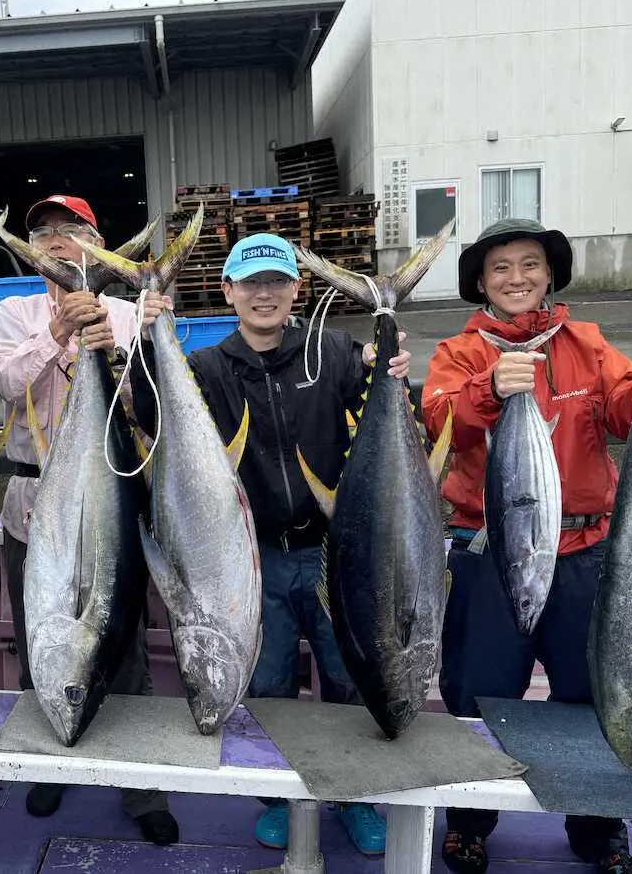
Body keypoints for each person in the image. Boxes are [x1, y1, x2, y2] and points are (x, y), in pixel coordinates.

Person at [421, 219, 632, 874]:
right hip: (492, 551)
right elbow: (438, 422)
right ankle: (470, 820)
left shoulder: (587, 344)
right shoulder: (459, 354)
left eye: (529, 265)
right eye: (500, 269)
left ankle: (596, 827)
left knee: (591, 692)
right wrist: (489, 389)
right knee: (477, 692)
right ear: (480, 283)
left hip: (584, 554)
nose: (516, 278)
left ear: (549, 275)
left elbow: (629, 410)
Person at [133, 232, 409, 856]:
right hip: (249, 561)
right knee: (269, 685)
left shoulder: (334, 353)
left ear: (295, 290)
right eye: (251, 284)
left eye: (277, 283)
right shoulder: (203, 367)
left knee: (348, 677)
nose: (265, 295)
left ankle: (355, 796)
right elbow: (152, 413)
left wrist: (387, 367)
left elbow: (382, 419)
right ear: (228, 292)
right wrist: (148, 339)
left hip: (333, 555)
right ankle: (283, 799)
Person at [0, 194, 179, 847]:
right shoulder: (13, 313)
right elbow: (4, 384)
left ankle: (140, 781)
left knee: (123, 637)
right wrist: (59, 333)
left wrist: (130, 346)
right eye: (44, 234)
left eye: (73, 233)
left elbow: (151, 407)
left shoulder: (128, 313)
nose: (59, 244)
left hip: (113, 501)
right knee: (37, 633)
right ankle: (54, 758)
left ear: (97, 242)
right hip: (34, 505)